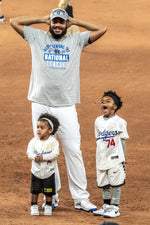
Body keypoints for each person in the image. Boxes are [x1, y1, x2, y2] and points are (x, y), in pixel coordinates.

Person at [10, 8, 107, 212]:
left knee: (73, 150)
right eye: (54, 22)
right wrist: (40, 19)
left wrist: (74, 21)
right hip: (40, 102)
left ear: (66, 24)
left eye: (61, 23)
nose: (57, 25)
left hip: (66, 104)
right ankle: (51, 196)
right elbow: (14, 22)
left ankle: (81, 199)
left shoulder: (76, 40)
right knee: (45, 148)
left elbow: (102, 28)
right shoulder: (37, 37)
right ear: (50, 23)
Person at [93, 91, 129, 218]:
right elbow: (99, 140)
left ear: (115, 106)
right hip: (102, 157)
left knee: (116, 183)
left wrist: (122, 158)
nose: (104, 103)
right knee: (105, 183)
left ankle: (115, 207)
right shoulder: (98, 121)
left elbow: (123, 140)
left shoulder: (120, 122)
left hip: (115, 157)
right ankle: (107, 205)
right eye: (103, 101)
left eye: (108, 101)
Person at [27, 113, 60, 216]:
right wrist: (34, 157)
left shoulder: (53, 142)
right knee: (34, 191)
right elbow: (29, 153)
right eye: (37, 127)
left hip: (48, 173)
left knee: (49, 192)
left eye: (42, 128)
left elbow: (55, 154)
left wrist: (43, 157)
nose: (39, 130)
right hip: (36, 172)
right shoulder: (33, 141)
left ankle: (48, 206)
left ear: (50, 130)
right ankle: (34, 206)